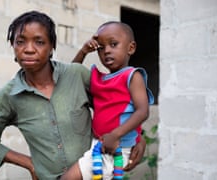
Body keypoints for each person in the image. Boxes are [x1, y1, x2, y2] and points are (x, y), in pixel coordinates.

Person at [0, 11, 146, 180]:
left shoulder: (76, 75)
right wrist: (30, 164)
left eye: (39, 42)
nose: (28, 49)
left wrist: (138, 137)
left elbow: (115, 105)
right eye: (20, 42)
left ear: (52, 48)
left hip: (95, 173)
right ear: (13, 47)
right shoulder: (9, 96)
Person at [61, 21, 154, 180]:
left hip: (116, 147)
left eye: (113, 44)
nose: (107, 51)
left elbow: (142, 111)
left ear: (130, 48)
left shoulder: (132, 76)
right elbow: (72, 76)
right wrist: (83, 51)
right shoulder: (99, 79)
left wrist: (115, 135)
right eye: (101, 47)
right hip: (99, 145)